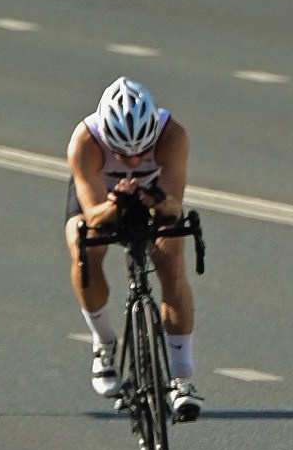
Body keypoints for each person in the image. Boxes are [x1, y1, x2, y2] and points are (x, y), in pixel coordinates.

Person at [65, 73, 199, 420]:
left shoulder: (173, 136)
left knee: (171, 261)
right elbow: (94, 216)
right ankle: (104, 342)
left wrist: (153, 199)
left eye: (141, 151)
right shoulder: (85, 141)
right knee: (84, 249)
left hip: (155, 195)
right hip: (100, 198)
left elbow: (174, 207)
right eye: (123, 154)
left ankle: (181, 376)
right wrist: (116, 204)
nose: (134, 161)